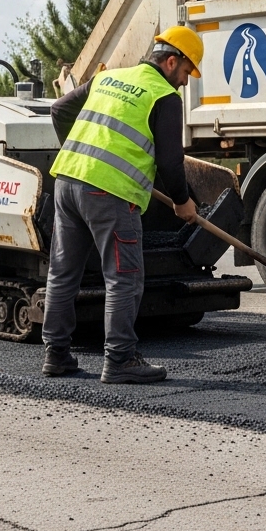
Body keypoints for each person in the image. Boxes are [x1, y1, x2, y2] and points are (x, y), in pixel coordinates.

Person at [42, 26, 203, 384]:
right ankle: (120, 359)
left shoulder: (108, 78)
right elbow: (170, 164)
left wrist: (80, 152)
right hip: (109, 194)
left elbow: (58, 109)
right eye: (187, 72)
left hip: (68, 182)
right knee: (124, 278)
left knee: (63, 273)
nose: (186, 82)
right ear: (171, 61)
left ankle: (56, 355)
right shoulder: (163, 95)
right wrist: (182, 202)